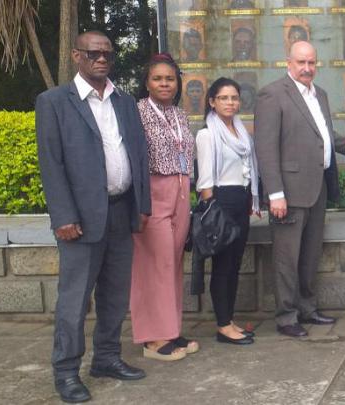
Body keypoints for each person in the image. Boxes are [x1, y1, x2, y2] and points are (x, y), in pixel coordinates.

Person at [35, 31, 151, 403]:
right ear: (76, 56)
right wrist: (62, 216)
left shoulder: (125, 102)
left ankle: (107, 358)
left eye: (107, 54)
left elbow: (138, 156)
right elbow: (51, 164)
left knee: (115, 295)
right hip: (80, 220)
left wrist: (141, 206)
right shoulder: (54, 102)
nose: (101, 59)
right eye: (93, 53)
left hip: (121, 211)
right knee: (74, 300)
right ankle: (67, 372)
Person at [254, 41, 340, 338]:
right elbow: (265, 148)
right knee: (287, 258)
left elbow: (325, 136)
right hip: (288, 193)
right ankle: (286, 316)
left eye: (311, 63)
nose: (307, 68)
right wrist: (275, 193)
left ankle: (307, 308)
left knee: (310, 254)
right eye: (301, 62)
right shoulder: (272, 94)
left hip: (317, 188)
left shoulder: (320, 95)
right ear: (288, 63)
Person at [130, 53, 198, 361]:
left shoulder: (179, 114)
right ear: (147, 83)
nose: (164, 84)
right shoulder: (138, 112)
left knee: (172, 263)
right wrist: (139, 201)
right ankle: (152, 339)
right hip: (154, 193)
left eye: (170, 79)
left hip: (181, 192)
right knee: (153, 265)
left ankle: (170, 329)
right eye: (157, 78)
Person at [195, 77, 261, 345]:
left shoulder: (241, 132)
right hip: (220, 202)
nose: (230, 103)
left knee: (234, 265)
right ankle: (223, 326)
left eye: (234, 98)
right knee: (222, 266)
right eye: (224, 98)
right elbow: (205, 182)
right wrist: (212, 212)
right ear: (212, 101)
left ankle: (229, 319)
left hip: (240, 200)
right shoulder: (207, 134)